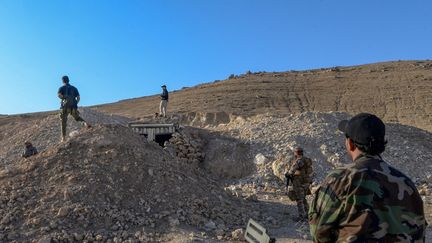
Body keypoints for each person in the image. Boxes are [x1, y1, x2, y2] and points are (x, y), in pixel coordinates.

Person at [309, 113, 426, 242]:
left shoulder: (340, 179)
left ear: (350, 143)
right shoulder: (406, 183)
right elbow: (419, 233)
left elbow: (319, 232)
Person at [57, 75, 90, 142]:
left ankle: (63, 138)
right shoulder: (74, 88)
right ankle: (85, 124)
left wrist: (64, 98)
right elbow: (78, 98)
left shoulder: (61, 88)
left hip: (65, 107)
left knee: (63, 122)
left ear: (63, 81)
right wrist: (75, 103)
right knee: (77, 118)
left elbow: (59, 95)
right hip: (73, 107)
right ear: (68, 80)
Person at [286, 147, 313, 221]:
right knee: (303, 198)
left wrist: (288, 174)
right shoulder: (307, 159)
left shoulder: (299, 161)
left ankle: (301, 216)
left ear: (296, 153)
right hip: (306, 182)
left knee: (299, 199)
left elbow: (292, 171)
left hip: (299, 182)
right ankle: (308, 214)